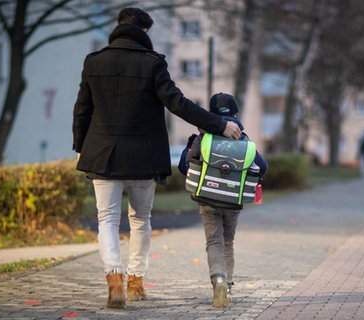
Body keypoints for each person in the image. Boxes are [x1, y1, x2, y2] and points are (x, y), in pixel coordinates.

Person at [72, 8, 241, 309]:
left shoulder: (94, 61)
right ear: (145, 31)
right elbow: (178, 104)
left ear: (119, 28)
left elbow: (82, 108)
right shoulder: (152, 64)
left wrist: (81, 145)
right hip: (143, 156)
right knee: (140, 219)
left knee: (107, 219)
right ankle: (135, 282)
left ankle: (114, 278)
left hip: (103, 154)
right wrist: (219, 124)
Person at [179, 93, 268, 308]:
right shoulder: (243, 139)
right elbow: (262, 167)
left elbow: (184, 165)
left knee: (214, 242)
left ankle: (217, 279)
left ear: (211, 114)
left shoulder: (203, 137)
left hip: (208, 199)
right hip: (233, 201)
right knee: (228, 242)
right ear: (236, 114)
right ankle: (227, 286)